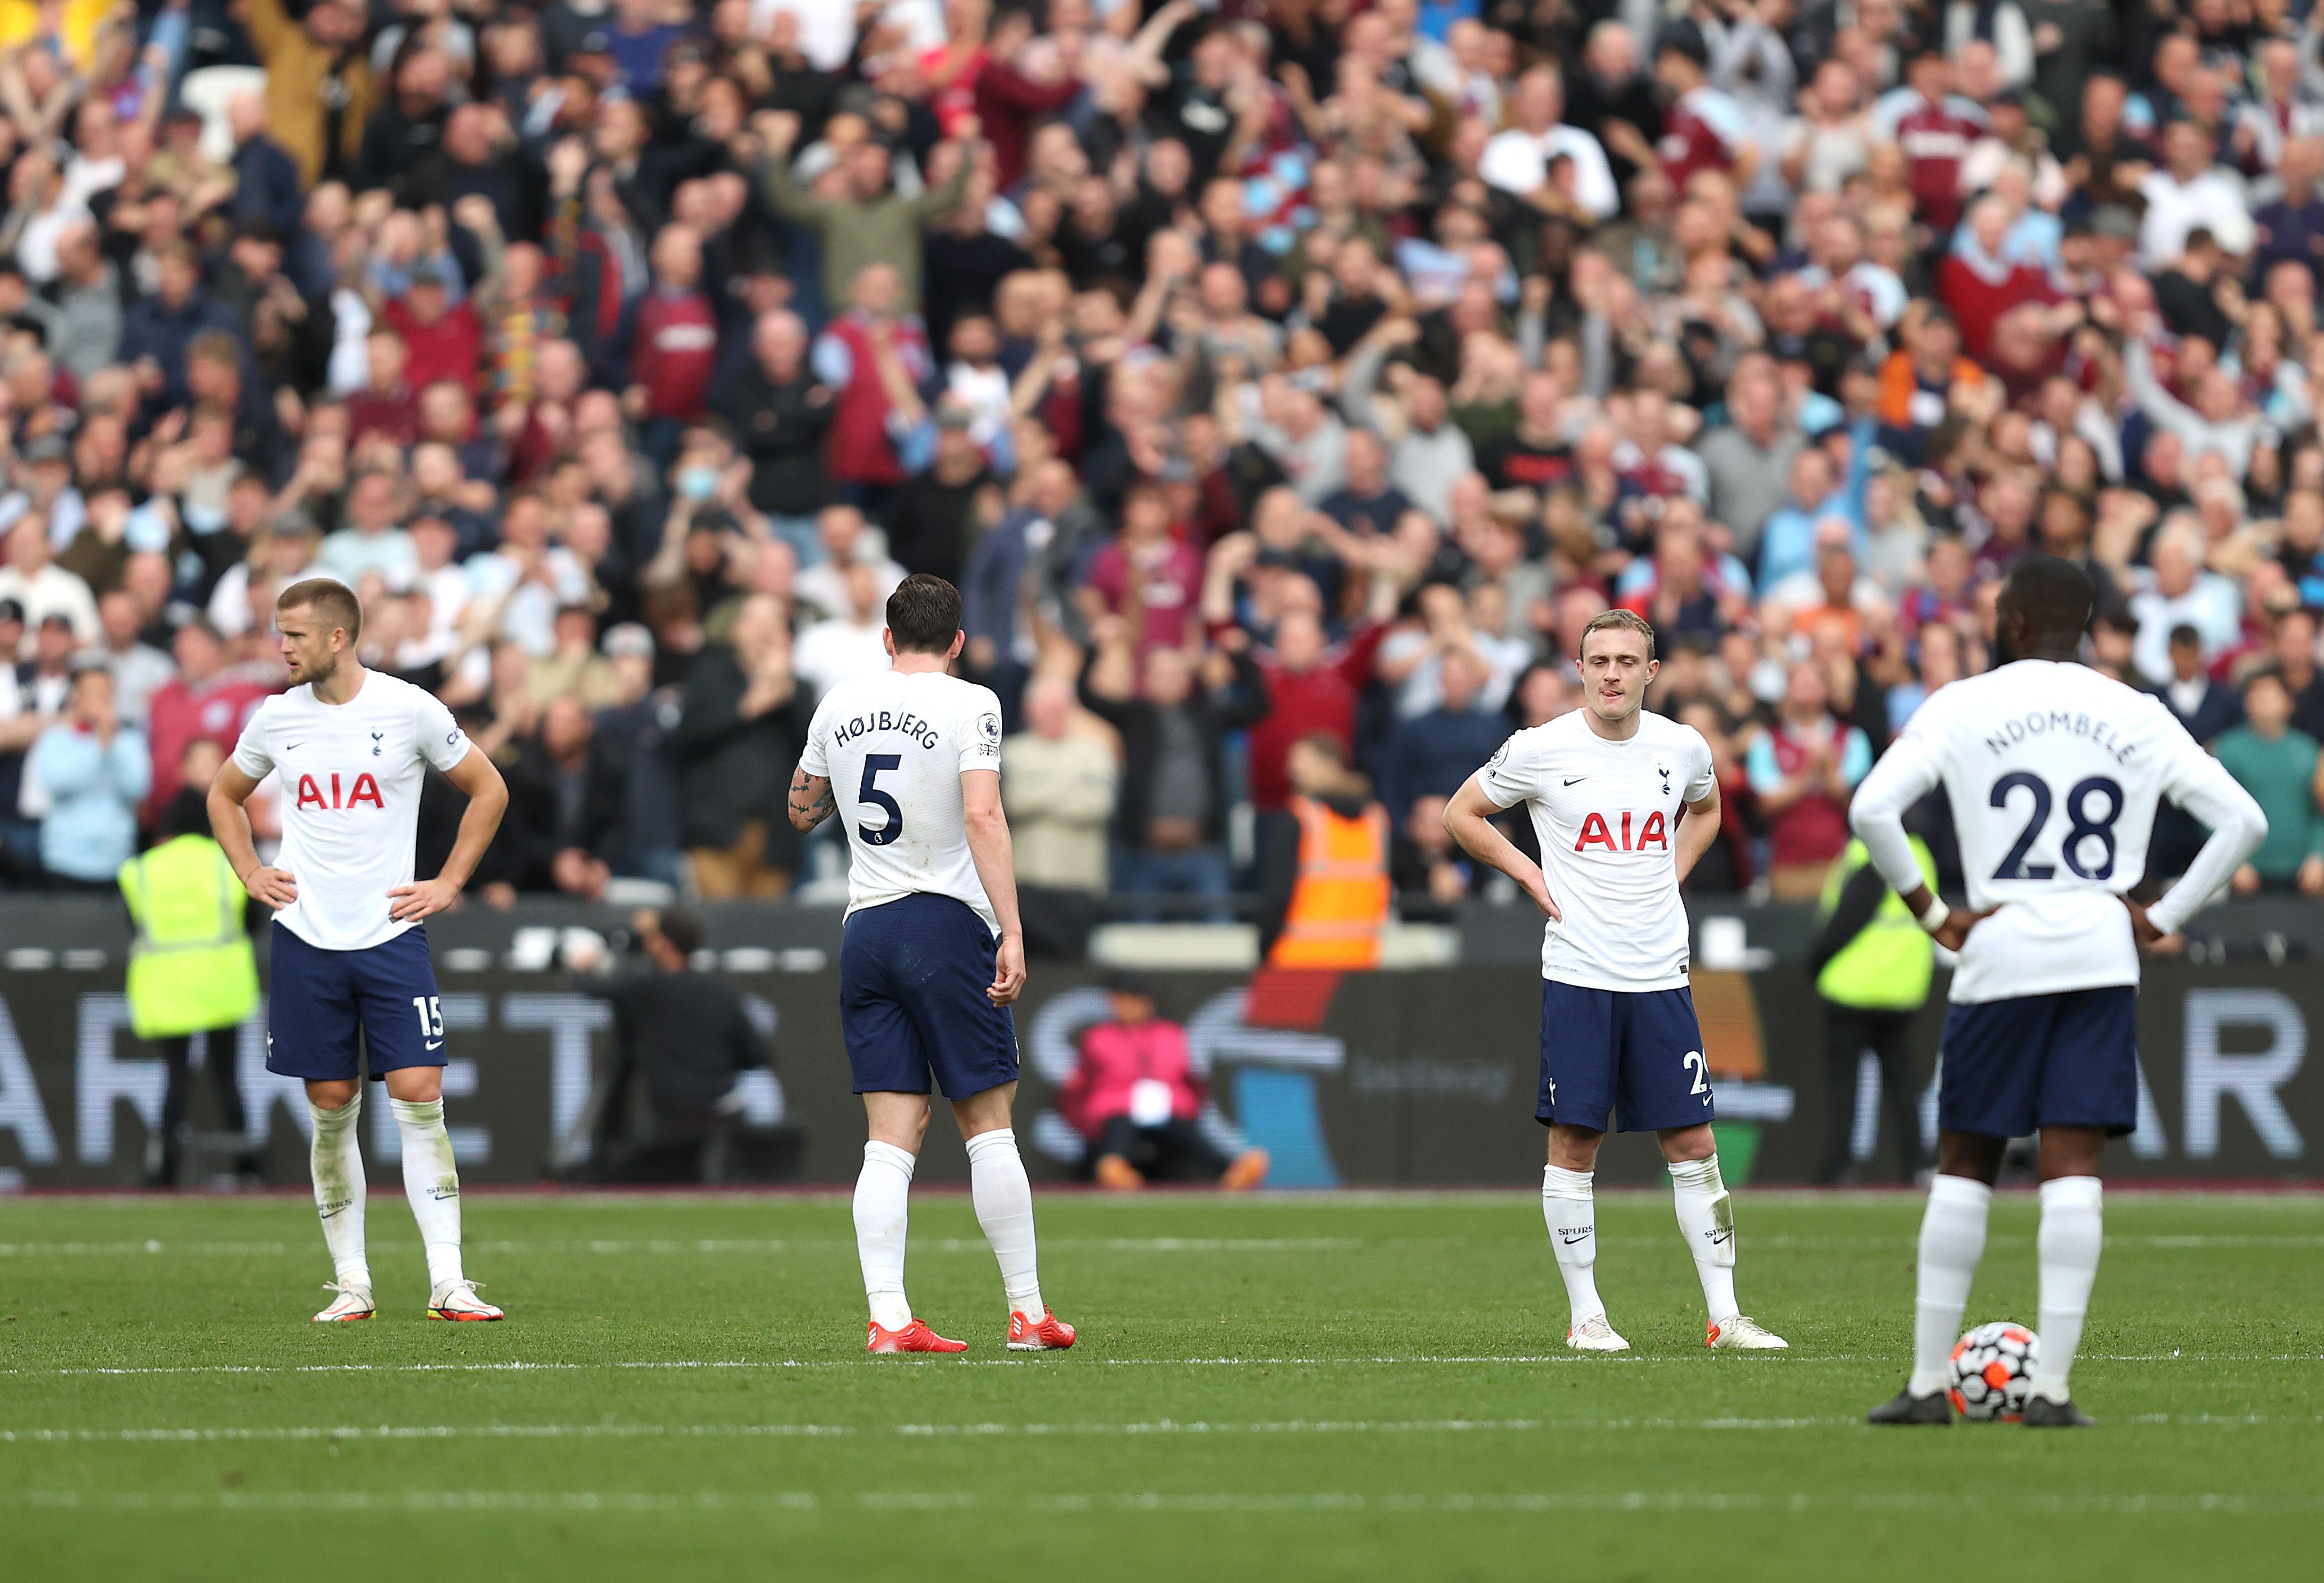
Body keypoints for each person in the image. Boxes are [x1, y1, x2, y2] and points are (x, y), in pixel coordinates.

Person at [1850, 556, 2267, 1426]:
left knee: (1964, 1166)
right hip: (2098, 955)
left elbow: (1870, 810)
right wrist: (2159, 916)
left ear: (2009, 623)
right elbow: (2243, 822)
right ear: (2081, 626)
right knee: (2072, 1169)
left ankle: (1925, 1386)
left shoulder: (1962, 703)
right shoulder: (2135, 710)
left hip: (1998, 952)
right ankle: (2052, 1392)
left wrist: (1932, 912)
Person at [1441, 608, 1787, 1354]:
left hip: (1661, 975)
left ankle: (1725, 1316)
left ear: (1650, 672)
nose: (1611, 674)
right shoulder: (1540, 748)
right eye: (1598, 660)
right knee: (1574, 1143)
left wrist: (1671, 873)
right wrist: (1529, 873)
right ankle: (1586, 1316)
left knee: (1694, 1142)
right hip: (1579, 973)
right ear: (1579, 668)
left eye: (1626, 662)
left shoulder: (1682, 746)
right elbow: (1461, 813)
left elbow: (1706, 810)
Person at [207, 578, 512, 1324]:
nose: (283, 647)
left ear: (338, 637)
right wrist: (250, 871)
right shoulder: (276, 717)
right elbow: (223, 795)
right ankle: (353, 1283)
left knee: (419, 1093)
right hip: (306, 937)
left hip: (390, 934)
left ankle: (449, 1281)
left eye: (295, 635)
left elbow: (489, 789)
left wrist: (449, 881)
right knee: (331, 1105)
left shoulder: (408, 707)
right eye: (280, 633)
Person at [785, 573, 1074, 1355]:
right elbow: (981, 813)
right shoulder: (971, 701)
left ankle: (887, 1317)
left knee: (889, 1135)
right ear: (958, 642)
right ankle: (1027, 1313)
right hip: (944, 924)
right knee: (986, 1122)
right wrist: (1011, 929)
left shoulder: (839, 703)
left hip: (866, 927)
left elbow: (802, 809)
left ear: (887, 638)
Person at [120, 781, 264, 1188]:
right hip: (222, 983)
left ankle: (164, 1170)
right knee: (228, 1077)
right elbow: (252, 923)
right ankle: (248, 1168)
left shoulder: (142, 869)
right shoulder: (227, 863)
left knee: (175, 1078)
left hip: (166, 986)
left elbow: (135, 926)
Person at [570, 908, 781, 1183]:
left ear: (665, 943)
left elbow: (593, 989)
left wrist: (579, 965)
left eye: (652, 937)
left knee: (620, 1172)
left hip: (674, 1127)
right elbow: (757, 1055)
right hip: (725, 1117)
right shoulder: (722, 993)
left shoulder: (650, 989)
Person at [1806, 833, 1937, 1185]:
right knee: (1902, 1082)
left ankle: (1839, 1166)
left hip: (1854, 984)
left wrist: (1817, 959)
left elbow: (1851, 914)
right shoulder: (1922, 852)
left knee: (1845, 1085)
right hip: (1902, 986)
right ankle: (1916, 1163)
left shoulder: (1873, 846)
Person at [1057, 975, 1269, 1191]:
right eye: (1122, 1002)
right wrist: (1087, 1120)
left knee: (1185, 1132)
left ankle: (1231, 1171)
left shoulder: (1171, 1035)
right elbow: (1080, 1086)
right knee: (1120, 1125)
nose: (1128, 1008)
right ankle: (1115, 1167)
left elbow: (1190, 1081)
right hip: (1117, 1108)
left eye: (1134, 1001)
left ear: (1147, 1003)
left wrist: (1186, 1106)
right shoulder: (1098, 1038)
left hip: (1168, 1110)